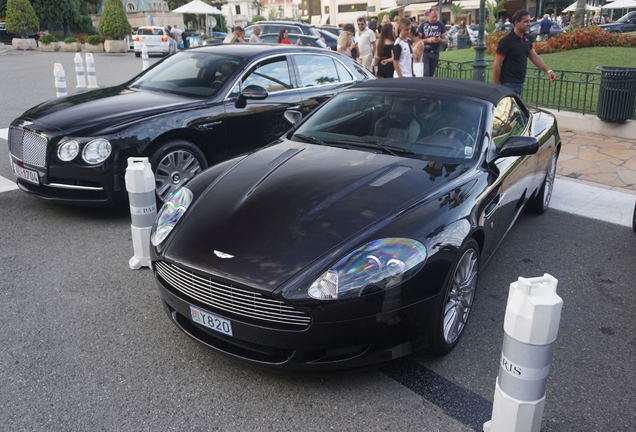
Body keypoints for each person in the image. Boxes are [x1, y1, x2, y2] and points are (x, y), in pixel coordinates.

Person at [492, 9, 557, 96]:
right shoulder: (506, 41)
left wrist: (548, 70)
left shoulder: (527, 38)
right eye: (526, 21)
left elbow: (534, 57)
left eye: (529, 21)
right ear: (516, 23)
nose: (529, 24)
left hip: (520, 83)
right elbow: (496, 64)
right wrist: (496, 87)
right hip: (508, 84)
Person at [417, 8, 446, 77]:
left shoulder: (441, 25)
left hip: (435, 52)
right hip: (425, 52)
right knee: (426, 73)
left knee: (431, 74)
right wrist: (428, 40)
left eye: (436, 17)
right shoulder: (423, 25)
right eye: (433, 16)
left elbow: (444, 40)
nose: (435, 18)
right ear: (429, 15)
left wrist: (439, 40)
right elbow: (417, 40)